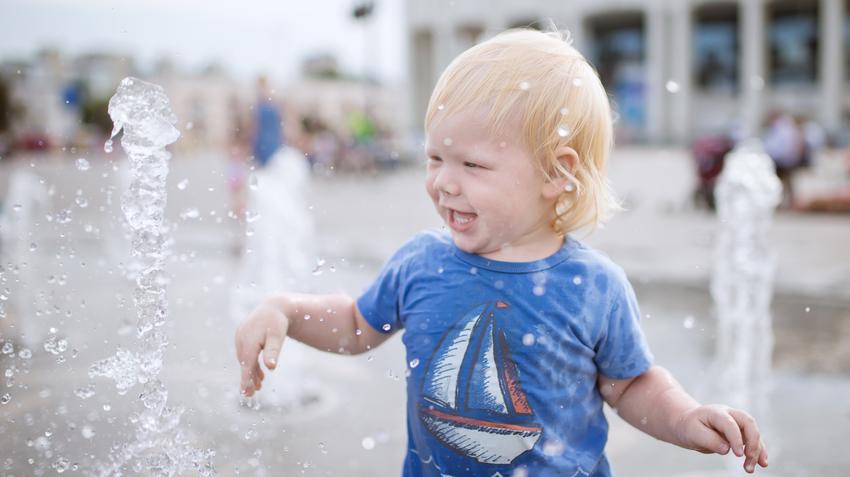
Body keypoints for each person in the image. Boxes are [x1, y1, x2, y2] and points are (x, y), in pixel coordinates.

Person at [235, 29, 768, 476]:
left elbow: (630, 384)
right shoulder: (422, 262)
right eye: (435, 157)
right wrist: (286, 309)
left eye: (472, 165)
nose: (444, 182)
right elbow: (355, 325)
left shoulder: (593, 285)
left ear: (557, 174)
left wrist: (684, 417)